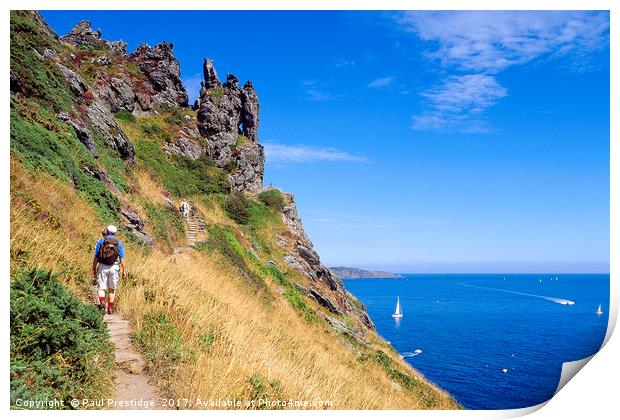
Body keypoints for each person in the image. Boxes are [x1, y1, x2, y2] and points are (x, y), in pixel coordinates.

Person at [92, 225, 126, 315]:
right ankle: (110, 307)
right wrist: (124, 270)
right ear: (115, 233)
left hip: (103, 266)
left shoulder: (101, 241)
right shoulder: (119, 243)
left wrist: (94, 268)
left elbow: (96, 257)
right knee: (112, 289)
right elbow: (122, 258)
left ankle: (102, 303)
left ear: (106, 231)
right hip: (114, 267)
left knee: (101, 288)